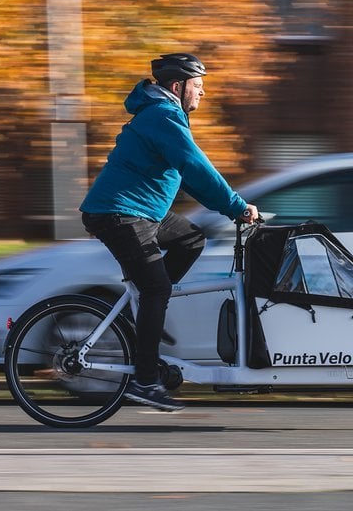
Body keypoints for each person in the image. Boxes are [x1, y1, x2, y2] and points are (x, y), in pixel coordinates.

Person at [80, 52, 259, 412]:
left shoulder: (165, 114)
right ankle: (145, 382)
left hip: (143, 213)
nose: (203, 93)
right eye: (199, 86)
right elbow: (196, 168)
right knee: (157, 287)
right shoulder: (163, 116)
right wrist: (236, 207)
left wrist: (228, 206)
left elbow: (187, 173)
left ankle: (144, 312)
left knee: (191, 240)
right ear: (178, 87)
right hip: (119, 214)